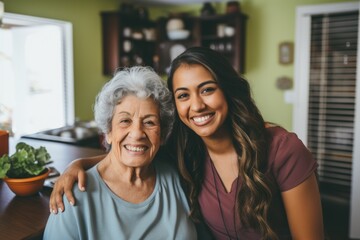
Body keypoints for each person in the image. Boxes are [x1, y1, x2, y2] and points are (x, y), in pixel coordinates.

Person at [50, 47, 324, 240]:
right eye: (183, 95)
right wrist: (79, 165)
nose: (196, 105)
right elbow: (134, 151)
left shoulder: (281, 149)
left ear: (227, 90)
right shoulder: (185, 150)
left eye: (207, 89)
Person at [44, 66, 197, 240]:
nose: (137, 133)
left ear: (162, 134)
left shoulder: (176, 176)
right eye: (125, 121)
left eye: (149, 122)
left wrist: (79, 162)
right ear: (108, 131)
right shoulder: (74, 197)